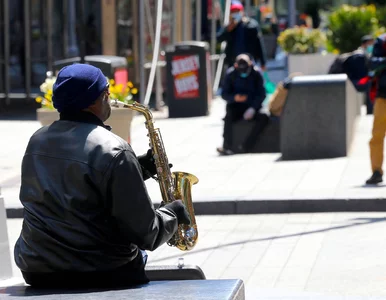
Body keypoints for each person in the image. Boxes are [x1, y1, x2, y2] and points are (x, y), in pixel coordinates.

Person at [14, 64, 190, 288]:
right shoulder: (115, 149)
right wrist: (172, 213)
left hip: (36, 269)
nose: (110, 98)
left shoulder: (37, 140)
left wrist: (138, 169)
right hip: (102, 271)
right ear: (92, 102)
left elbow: (74, 190)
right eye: (106, 92)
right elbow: (147, 235)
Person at [216, 54, 268, 155]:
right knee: (229, 115)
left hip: (252, 106)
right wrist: (234, 98)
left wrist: (253, 108)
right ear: (235, 66)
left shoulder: (256, 74)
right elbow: (224, 94)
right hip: (237, 106)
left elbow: (261, 94)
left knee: (264, 117)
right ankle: (227, 146)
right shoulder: (230, 74)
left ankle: (247, 146)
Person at [217, 0, 267, 71]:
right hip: (233, 63)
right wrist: (228, 30)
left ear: (242, 12)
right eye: (233, 12)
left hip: (249, 61)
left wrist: (263, 63)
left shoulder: (252, 25)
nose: (235, 14)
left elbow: (259, 44)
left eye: (237, 11)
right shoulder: (229, 27)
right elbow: (219, 39)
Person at [365, 34, 386, 184]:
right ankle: (376, 171)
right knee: (377, 136)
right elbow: (372, 63)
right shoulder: (382, 41)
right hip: (383, 96)